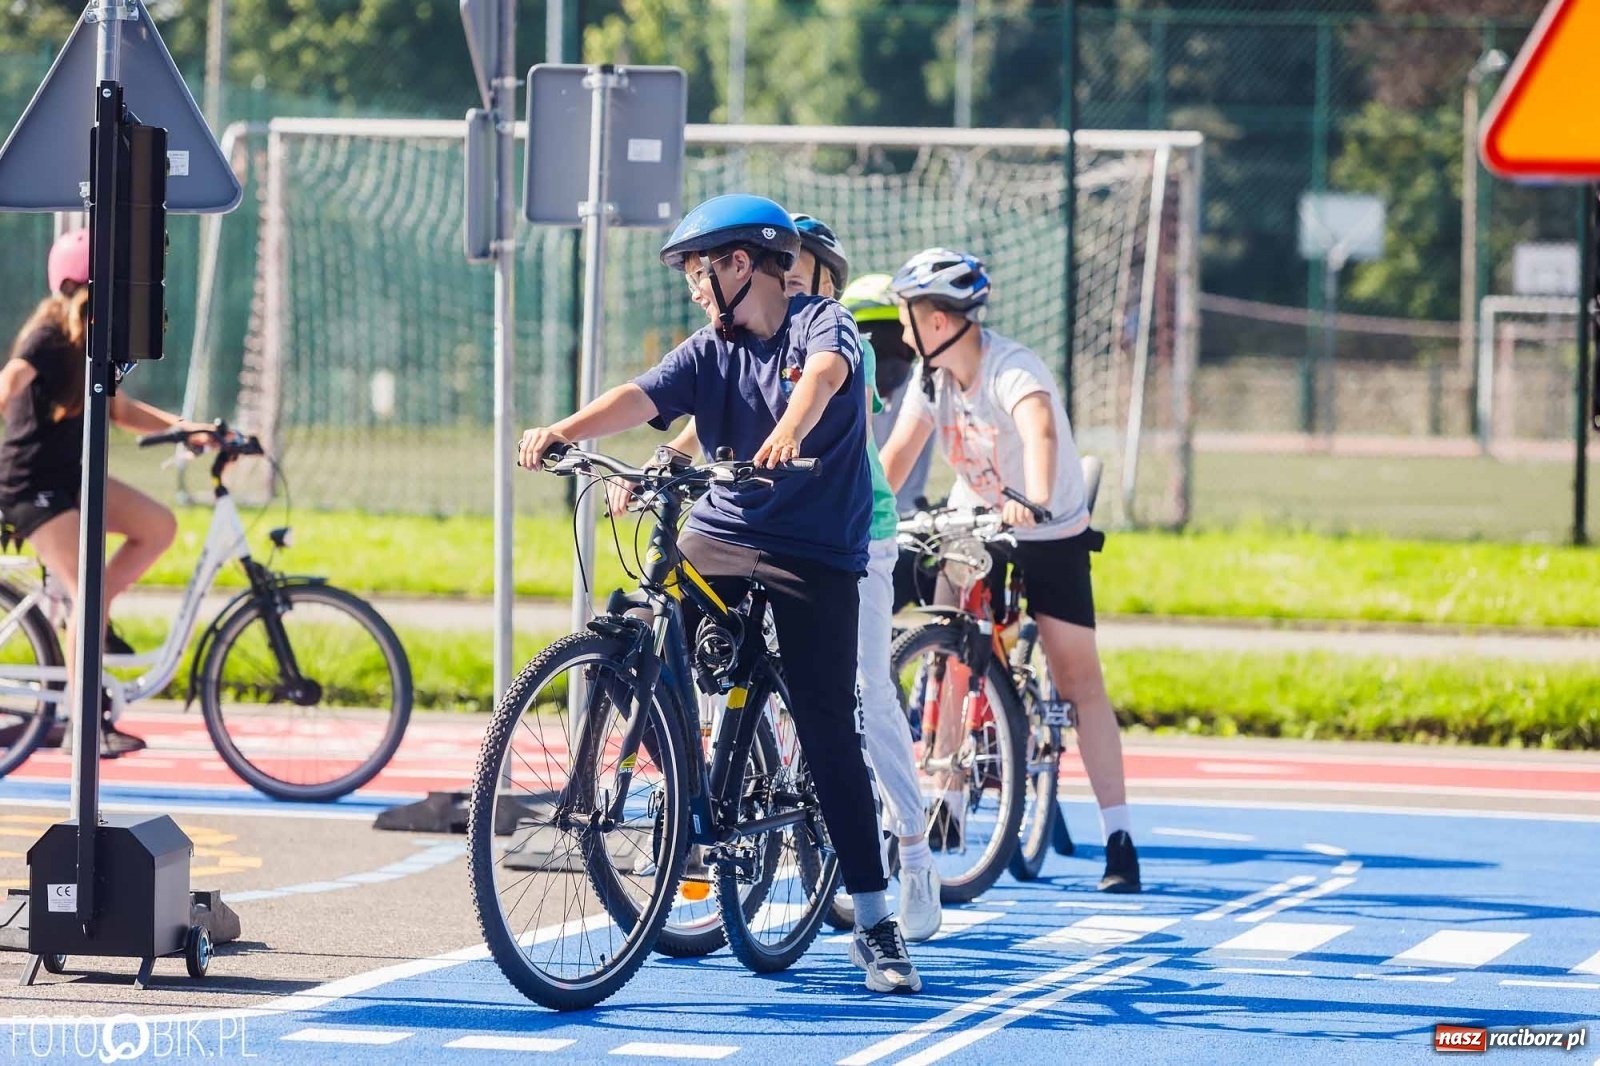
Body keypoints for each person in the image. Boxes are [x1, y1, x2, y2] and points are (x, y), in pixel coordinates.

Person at [518, 194, 923, 992]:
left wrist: (790, 431)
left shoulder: (819, 324)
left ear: (741, 265)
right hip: (728, 527)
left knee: (827, 721)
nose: (696, 290)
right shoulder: (710, 349)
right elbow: (640, 397)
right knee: (658, 599)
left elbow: (824, 378)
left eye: (701, 273)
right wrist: (566, 431)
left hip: (816, 549)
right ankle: (681, 730)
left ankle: (876, 920)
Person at [878, 247, 1142, 894]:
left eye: (907, 317)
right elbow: (894, 457)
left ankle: (1120, 837)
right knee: (950, 648)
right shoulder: (930, 379)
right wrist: (863, 511)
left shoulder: (1012, 369)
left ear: (939, 321)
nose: (901, 330)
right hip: (978, 520)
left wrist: (1038, 498)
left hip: (1047, 524)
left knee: (1079, 677)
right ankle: (949, 798)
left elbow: (1042, 431)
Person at [0, 228, 217, 757]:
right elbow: (7, 384)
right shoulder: (50, 334)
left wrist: (185, 427)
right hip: (32, 486)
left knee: (157, 527)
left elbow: (117, 410)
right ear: (84, 283)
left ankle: (91, 614)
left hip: (70, 479)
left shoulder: (88, 338)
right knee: (87, 588)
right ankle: (84, 722)